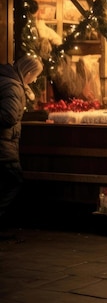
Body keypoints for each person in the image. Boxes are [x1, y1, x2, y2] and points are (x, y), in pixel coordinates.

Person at [0, 55, 44, 238]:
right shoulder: (13, 87)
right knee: (13, 180)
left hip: (5, 143)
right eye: (34, 76)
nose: (34, 80)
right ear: (27, 73)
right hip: (4, 144)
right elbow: (8, 116)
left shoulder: (5, 80)